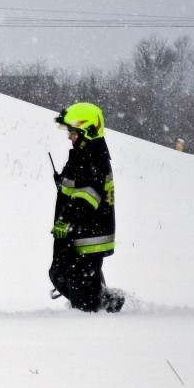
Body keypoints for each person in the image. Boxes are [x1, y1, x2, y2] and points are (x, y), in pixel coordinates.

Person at [50, 102, 123, 312]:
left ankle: (98, 317)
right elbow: (76, 187)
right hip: (79, 232)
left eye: (72, 132)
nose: (69, 137)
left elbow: (87, 199)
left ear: (87, 131)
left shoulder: (93, 158)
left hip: (89, 235)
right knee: (59, 274)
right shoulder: (83, 154)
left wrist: (67, 222)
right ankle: (106, 302)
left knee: (84, 300)